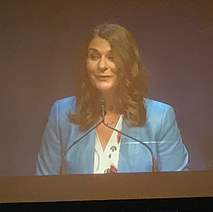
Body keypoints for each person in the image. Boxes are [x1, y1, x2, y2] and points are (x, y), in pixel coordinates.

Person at [36, 23, 188, 174]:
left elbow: (177, 188)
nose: (102, 65)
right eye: (94, 56)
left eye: (112, 57)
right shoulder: (62, 113)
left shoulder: (159, 118)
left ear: (127, 63)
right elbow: (43, 186)